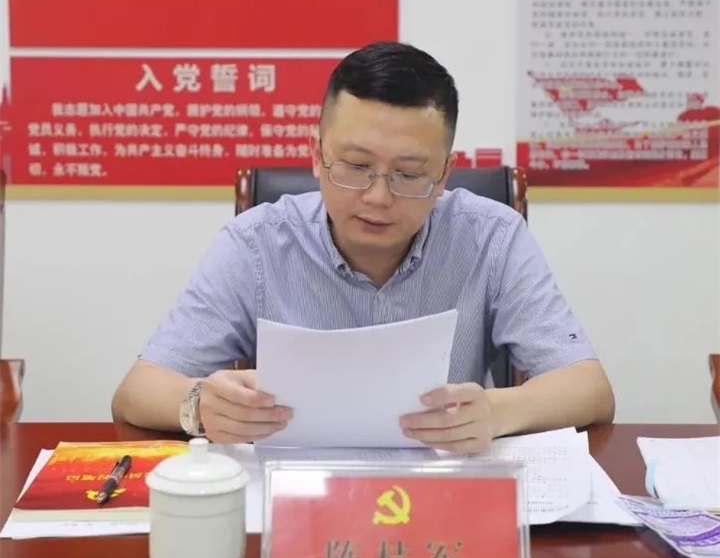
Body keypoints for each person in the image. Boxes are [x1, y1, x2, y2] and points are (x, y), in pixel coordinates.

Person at [112, 41, 614, 454]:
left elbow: (589, 389)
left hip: (445, 493)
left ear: (444, 174)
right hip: (293, 497)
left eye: (409, 174)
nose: (378, 197)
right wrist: (199, 404)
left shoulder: (492, 237)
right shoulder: (256, 244)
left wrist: (497, 412)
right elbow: (136, 392)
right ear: (316, 155)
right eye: (355, 167)